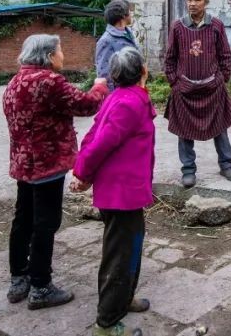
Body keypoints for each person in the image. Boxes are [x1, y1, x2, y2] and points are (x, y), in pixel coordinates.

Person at [2, 33, 108, 310]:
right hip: (47, 164)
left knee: (23, 220)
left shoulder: (15, 82)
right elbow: (86, 104)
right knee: (45, 224)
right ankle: (41, 287)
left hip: (23, 164)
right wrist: (100, 87)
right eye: (60, 51)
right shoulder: (49, 81)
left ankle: (19, 279)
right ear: (49, 55)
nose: (63, 55)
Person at [71, 47, 154, 336]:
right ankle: (106, 323)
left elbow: (93, 134)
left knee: (130, 248)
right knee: (120, 256)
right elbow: (100, 141)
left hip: (125, 190)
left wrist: (83, 171)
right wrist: (83, 173)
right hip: (121, 194)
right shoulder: (129, 103)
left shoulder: (121, 97)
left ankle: (124, 299)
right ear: (143, 71)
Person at [163, 0, 231, 188]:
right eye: (189, 0)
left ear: (206, 2)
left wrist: (222, 79)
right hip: (184, 90)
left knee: (220, 127)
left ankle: (226, 165)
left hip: (213, 88)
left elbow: (225, 55)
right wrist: (175, 82)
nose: (192, 4)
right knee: (184, 130)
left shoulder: (216, 25)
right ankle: (188, 170)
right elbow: (170, 58)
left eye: (197, 0)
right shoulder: (177, 27)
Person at [96, 0, 138, 90]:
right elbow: (104, 76)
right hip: (120, 93)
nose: (131, 14)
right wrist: (115, 96)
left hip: (134, 89)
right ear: (123, 15)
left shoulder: (129, 34)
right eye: (129, 11)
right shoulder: (106, 40)